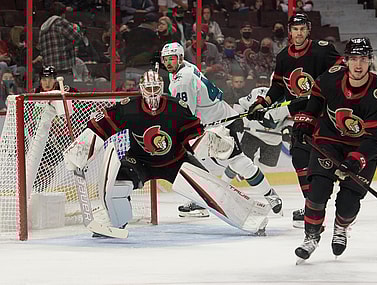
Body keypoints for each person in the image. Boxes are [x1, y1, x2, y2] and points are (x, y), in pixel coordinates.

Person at [63, 68, 269, 236]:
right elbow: (101, 127)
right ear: (141, 89)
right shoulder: (129, 108)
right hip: (139, 162)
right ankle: (115, 225)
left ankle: (251, 218)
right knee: (117, 188)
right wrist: (81, 148)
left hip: (176, 161)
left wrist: (214, 142)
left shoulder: (175, 107)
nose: (152, 93)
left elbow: (193, 135)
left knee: (212, 190)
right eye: (148, 88)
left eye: (155, 88)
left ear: (161, 88)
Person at [293, 37, 377, 261]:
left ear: (370, 61)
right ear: (346, 60)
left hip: (361, 149)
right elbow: (317, 98)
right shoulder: (331, 78)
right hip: (329, 141)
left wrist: (357, 159)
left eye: (364, 59)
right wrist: (305, 122)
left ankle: (341, 227)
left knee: (348, 204)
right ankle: (311, 237)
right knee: (317, 192)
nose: (358, 65)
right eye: (354, 59)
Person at [161, 42, 283, 217]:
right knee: (195, 162)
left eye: (172, 59)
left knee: (238, 163)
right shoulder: (185, 67)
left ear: (180, 58)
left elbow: (186, 114)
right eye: (165, 59)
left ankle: (270, 195)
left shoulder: (182, 80)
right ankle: (202, 201)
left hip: (220, 126)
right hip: (216, 123)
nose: (168, 63)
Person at [247, 13, 341, 228]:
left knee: (324, 158)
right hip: (300, 116)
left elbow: (340, 71)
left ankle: (323, 200)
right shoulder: (283, 57)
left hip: (323, 114)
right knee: (300, 159)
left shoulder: (323, 49)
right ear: (290, 32)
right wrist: (263, 102)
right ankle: (312, 205)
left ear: (308, 30)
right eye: (295, 29)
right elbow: (279, 87)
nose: (298, 33)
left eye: (302, 29)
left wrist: (322, 87)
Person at [233, 74, 292, 168]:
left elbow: (291, 119)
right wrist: (238, 119)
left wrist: (288, 129)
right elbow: (239, 104)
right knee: (241, 162)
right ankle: (226, 180)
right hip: (252, 133)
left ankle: (255, 172)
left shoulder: (291, 101)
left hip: (273, 140)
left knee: (268, 167)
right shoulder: (258, 92)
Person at [38, 2, 83, 84]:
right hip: (63, 67)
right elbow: (77, 38)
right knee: (65, 93)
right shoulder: (61, 22)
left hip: (48, 68)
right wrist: (76, 29)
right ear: (63, 13)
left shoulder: (43, 27)